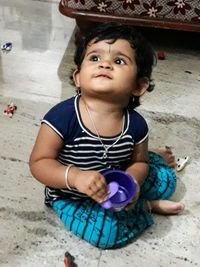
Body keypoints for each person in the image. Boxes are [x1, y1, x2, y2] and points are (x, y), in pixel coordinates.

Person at [29, 23, 184, 249]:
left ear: (139, 85)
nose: (104, 64)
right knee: (105, 233)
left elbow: (138, 163)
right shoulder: (62, 117)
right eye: (94, 58)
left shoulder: (136, 124)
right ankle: (148, 206)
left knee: (167, 181)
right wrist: (76, 178)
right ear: (78, 77)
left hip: (116, 181)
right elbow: (38, 163)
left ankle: (150, 163)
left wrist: (132, 181)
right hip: (72, 195)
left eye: (119, 61)